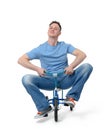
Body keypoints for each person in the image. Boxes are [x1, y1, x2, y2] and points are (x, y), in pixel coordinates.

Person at [18, 21, 93, 118]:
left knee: (87, 67)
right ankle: (43, 107)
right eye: (50, 27)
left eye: (55, 28)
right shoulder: (40, 49)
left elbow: (82, 55)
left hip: (65, 78)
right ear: (47, 31)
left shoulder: (65, 46)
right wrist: (37, 68)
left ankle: (71, 97)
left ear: (59, 33)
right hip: (47, 80)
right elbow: (21, 60)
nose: (52, 29)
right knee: (26, 79)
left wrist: (71, 66)